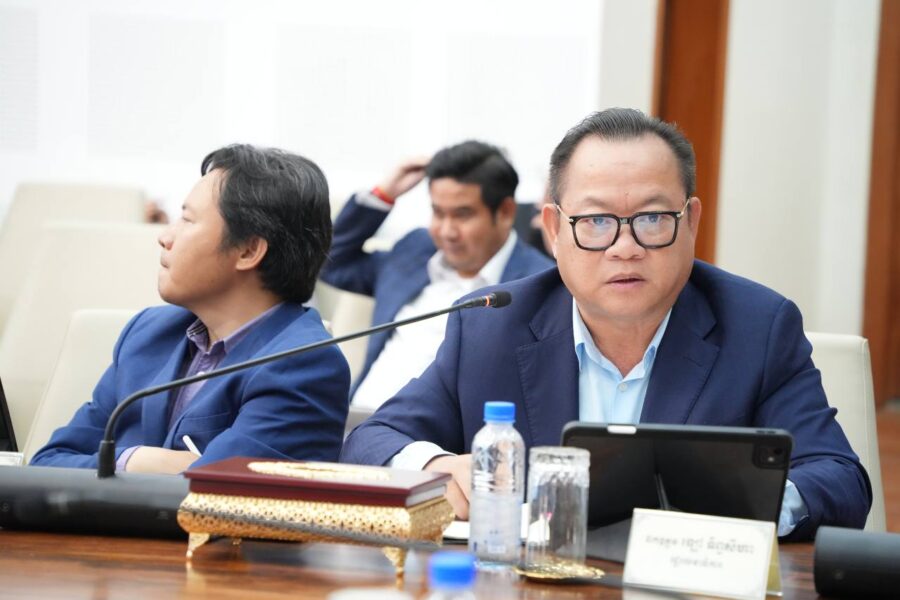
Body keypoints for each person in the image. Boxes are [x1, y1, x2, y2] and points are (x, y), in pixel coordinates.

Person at [341, 109, 871, 541]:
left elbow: (840, 479)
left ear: (690, 222)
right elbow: (372, 440)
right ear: (554, 230)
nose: (625, 247)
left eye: (652, 219)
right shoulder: (491, 325)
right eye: (595, 221)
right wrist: (434, 464)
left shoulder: (759, 327)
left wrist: (739, 507)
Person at [31, 144, 350, 473]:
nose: (165, 237)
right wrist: (136, 460)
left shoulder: (306, 366)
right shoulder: (148, 333)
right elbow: (47, 465)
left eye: (186, 220)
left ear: (248, 250)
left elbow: (216, 490)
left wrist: (114, 466)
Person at [319, 141, 553, 409]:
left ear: (505, 212)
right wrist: (384, 194)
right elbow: (329, 263)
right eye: (438, 213)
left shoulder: (539, 283)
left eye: (462, 215)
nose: (447, 231)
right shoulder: (415, 250)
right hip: (356, 420)